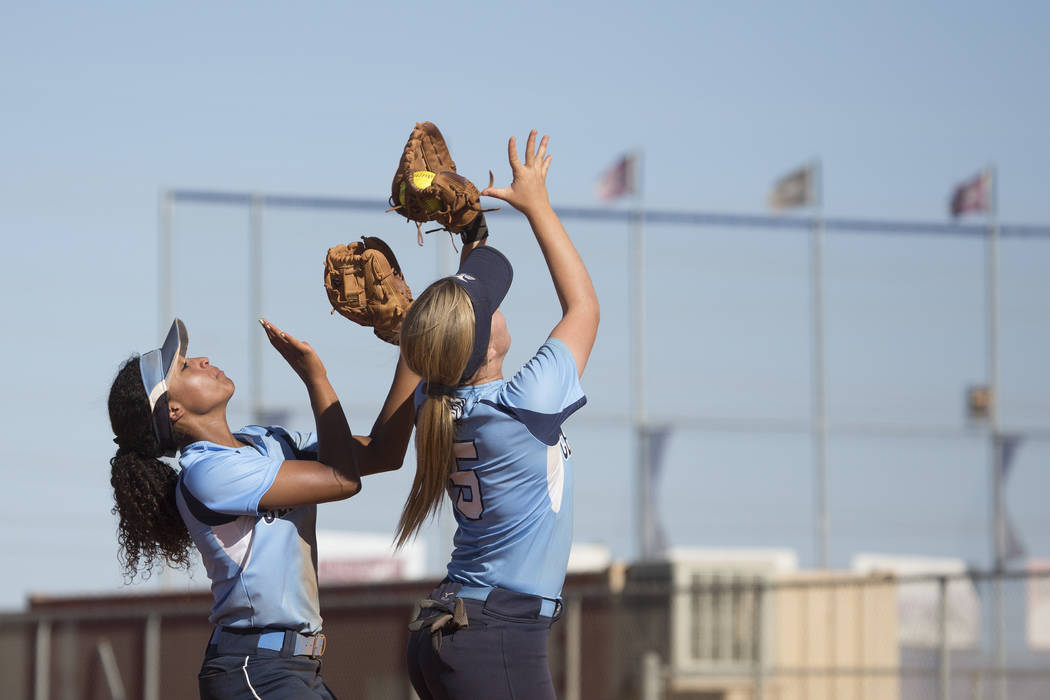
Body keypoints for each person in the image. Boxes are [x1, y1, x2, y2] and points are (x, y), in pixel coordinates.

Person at [107, 317, 416, 699]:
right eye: (183, 367)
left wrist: (413, 345)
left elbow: (384, 452)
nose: (202, 359)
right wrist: (314, 378)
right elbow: (342, 480)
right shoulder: (207, 474)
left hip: (294, 670)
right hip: (253, 671)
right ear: (173, 411)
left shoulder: (264, 441)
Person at [399, 130, 600, 699]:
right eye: (492, 307)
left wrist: (472, 235)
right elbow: (584, 307)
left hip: (456, 627)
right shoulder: (522, 403)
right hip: (496, 636)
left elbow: (448, 337)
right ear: (486, 346)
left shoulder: (435, 397)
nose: (499, 305)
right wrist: (537, 203)